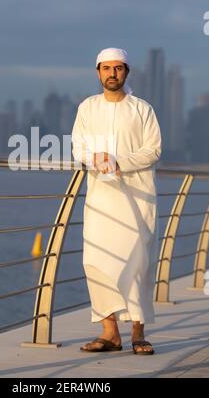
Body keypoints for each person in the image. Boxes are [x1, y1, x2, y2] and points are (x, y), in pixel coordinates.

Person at [71, 47, 162, 355]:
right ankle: (110, 334)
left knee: (137, 264)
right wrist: (95, 158)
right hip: (100, 199)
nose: (112, 73)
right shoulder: (87, 108)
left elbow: (153, 150)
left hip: (137, 198)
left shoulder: (142, 109)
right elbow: (78, 148)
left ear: (126, 72)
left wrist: (120, 161)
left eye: (118, 68)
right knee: (96, 262)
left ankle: (138, 333)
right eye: (106, 68)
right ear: (98, 73)